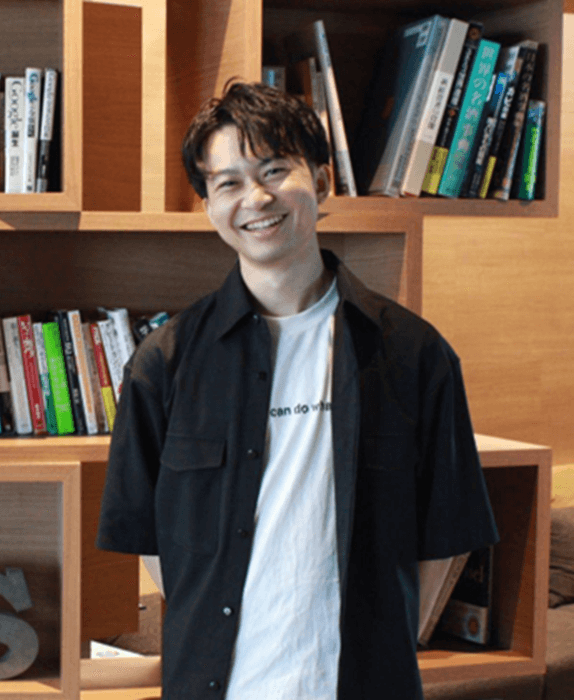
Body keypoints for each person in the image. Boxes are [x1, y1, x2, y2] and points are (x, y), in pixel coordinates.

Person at [96, 80, 499, 700]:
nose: (256, 199)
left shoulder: (413, 354)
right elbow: (153, 544)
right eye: (228, 183)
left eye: (275, 170)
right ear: (207, 206)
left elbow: (442, 535)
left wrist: (381, 647)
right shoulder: (163, 364)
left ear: (323, 180)